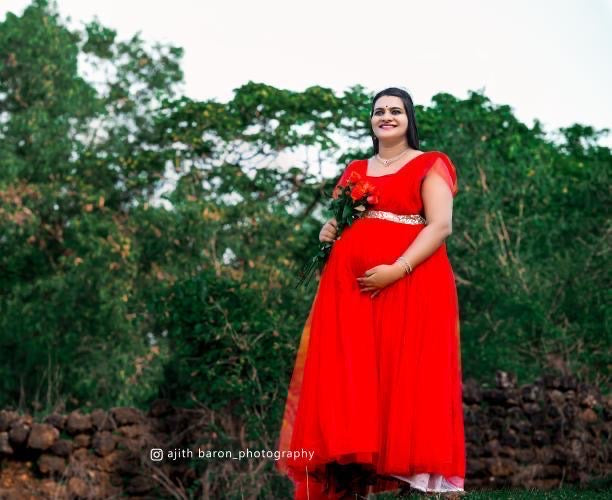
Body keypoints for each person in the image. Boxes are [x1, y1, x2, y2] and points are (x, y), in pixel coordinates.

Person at [275, 87, 466, 499]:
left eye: (396, 111)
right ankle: (354, 472)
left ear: (408, 119)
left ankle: (419, 477)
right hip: (349, 290)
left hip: (411, 282)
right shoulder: (356, 168)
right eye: (379, 111)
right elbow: (341, 218)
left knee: (405, 370)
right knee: (353, 374)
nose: (386, 117)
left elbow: (440, 225)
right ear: (371, 120)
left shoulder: (430, 163)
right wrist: (330, 230)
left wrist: (397, 269)